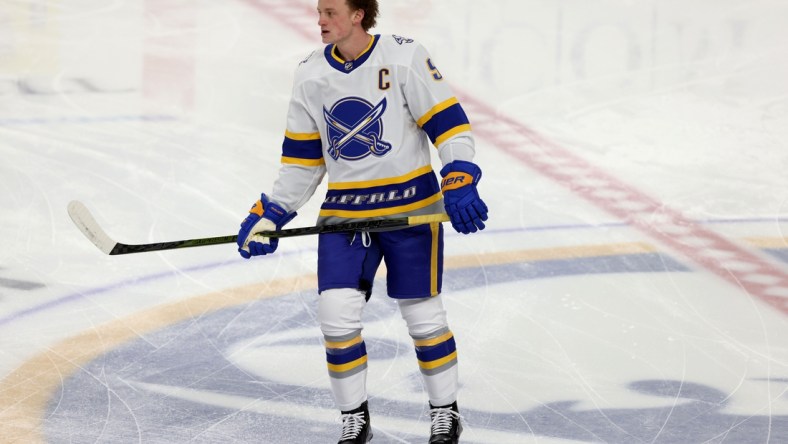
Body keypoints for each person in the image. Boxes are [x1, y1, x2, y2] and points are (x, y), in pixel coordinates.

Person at [236, 0, 487, 442]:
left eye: (330, 12)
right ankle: (355, 419)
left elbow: (448, 124)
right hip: (345, 216)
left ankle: (445, 412)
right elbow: (303, 158)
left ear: (358, 15)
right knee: (335, 317)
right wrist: (273, 211)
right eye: (319, 12)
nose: (320, 20)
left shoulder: (404, 56)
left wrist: (460, 175)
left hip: (411, 208)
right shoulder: (310, 73)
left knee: (424, 316)